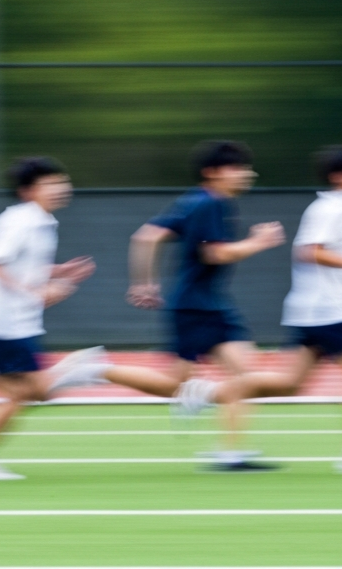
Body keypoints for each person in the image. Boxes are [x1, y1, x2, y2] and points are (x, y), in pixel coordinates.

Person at [0, 157, 194, 480]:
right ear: (28, 190)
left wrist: (59, 271)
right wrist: (32, 293)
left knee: (28, 392)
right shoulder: (21, 220)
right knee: (29, 392)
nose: (63, 188)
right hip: (5, 321)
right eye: (52, 183)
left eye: (62, 181)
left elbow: (18, 264)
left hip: (17, 320)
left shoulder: (41, 221)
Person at [199, 146, 342, 475]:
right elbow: (310, 252)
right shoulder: (330, 208)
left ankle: (207, 392)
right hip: (329, 310)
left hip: (321, 309)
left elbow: (336, 260)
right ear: (338, 177)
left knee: (290, 384)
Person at [128, 140, 287, 472]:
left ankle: (231, 453)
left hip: (209, 304)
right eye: (238, 168)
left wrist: (143, 281)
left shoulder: (194, 201)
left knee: (245, 374)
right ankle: (96, 369)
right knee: (175, 385)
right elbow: (215, 253)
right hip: (195, 307)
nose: (248, 173)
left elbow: (145, 236)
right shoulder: (211, 203)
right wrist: (258, 242)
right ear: (212, 173)